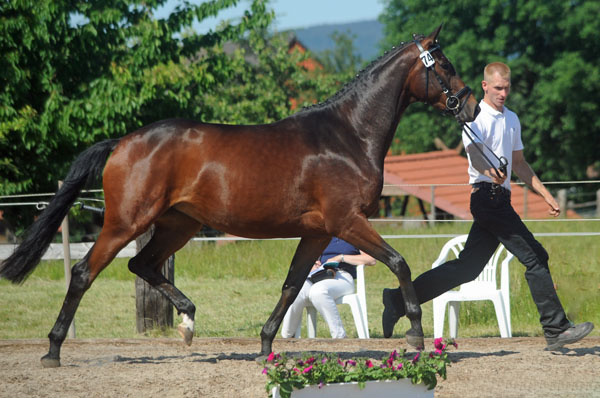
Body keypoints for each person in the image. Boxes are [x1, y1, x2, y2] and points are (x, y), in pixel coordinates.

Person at [382, 62, 594, 350]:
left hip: (499, 199)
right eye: (497, 88)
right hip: (486, 197)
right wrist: (488, 171)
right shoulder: (475, 117)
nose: (503, 93)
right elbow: (474, 154)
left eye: (506, 88)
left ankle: (397, 300)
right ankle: (556, 329)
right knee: (535, 257)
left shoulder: (512, 119)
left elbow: (519, 164)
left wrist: (544, 193)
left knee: (466, 269)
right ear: (484, 86)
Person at [281, 237, 376, 338]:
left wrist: (341, 258)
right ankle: (287, 337)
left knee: (318, 291)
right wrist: (312, 264)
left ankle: (340, 336)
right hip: (319, 274)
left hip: (342, 276)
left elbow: (371, 259)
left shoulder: (354, 234)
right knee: (295, 291)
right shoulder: (323, 234)